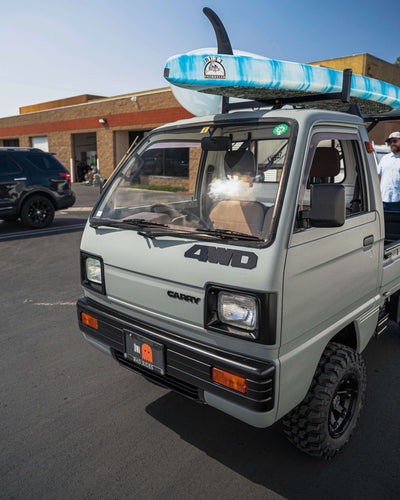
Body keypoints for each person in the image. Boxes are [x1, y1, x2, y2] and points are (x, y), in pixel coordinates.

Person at [378, 131, 400, 211]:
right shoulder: (385, 158)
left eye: (395, 141)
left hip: (397, 202)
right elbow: (378, 177)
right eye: (390, 142)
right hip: (383, 200)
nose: (392, 144)